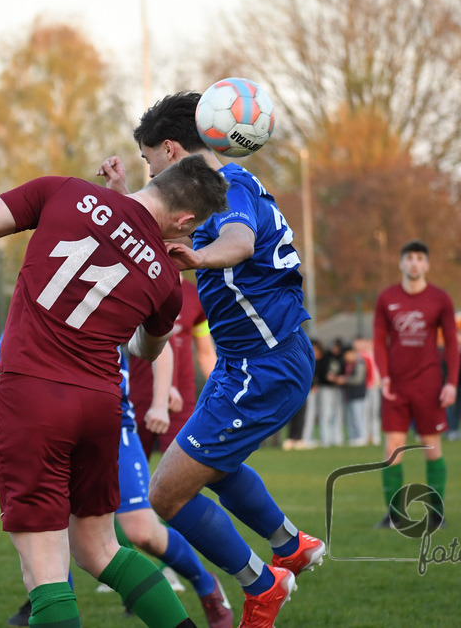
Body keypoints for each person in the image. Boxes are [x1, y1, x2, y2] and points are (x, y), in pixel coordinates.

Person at [0, 154, 228, 627]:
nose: (189, 240)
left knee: (45, 570)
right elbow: (148, 350)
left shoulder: (64, 191)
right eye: (194, 231)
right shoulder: (168, 281)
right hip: (101, 406)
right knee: (101, 549)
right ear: (185, 218)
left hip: (33, 399)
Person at [99, 92, 325, 627]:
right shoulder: (209, 195)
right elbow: (154, 226)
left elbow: (240, 241)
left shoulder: (228, 191)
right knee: (210, 468)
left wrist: (200, 257)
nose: (148, 172)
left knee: (166, 494)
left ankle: (262, 583)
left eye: (149, 161)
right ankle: (288, 544)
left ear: (172, 151)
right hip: (247, 364)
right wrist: (120, 196)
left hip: (265, 364)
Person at [6, 345, 234, 628]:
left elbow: (157, 341)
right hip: (49, 423)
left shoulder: (111, 302)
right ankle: (58, 600)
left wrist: (161, 400)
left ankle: (205, 584)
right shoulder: (33, 309)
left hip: (110, 421)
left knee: (140, 531)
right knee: (53, 538)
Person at [372, 240, 459, 530]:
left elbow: (453, 345)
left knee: (432, 448)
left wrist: (452, 383)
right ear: (401, 263)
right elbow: (379, 341)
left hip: (429, 386)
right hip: (395, 387)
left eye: (420, 258)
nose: (414, 263)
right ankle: (395, 514)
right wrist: (384, 375)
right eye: (409, 258)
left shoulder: (441, 299)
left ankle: (436, 513)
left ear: (427, 264)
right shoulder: (386, 298)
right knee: (391, 449)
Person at [127, 277, 216, 458]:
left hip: (181, 400)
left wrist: (221, 394)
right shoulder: (139, 289)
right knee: (129, 472)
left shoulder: (196, 296)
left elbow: (206, 354)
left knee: (181, 468)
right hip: (138, 395)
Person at [317, 340, 346, 447]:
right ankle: (325, 439)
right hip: (326, 388)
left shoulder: (342, 358)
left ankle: (338, 438)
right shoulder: (326, 357)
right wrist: (327, 378)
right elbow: (321, 372)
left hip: (338, 388)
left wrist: (339, 379)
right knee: (326, 413)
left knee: (338, 414)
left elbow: (344, 372)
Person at [341, 345, 368, 447]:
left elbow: (358, 379)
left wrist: (345, 380)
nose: (346, 357)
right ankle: (353, 437)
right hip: (350, 395)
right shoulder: (349, 365)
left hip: (358, 395)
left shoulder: (359, 363)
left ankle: (361, 437)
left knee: (358, 417)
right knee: (351, 417)